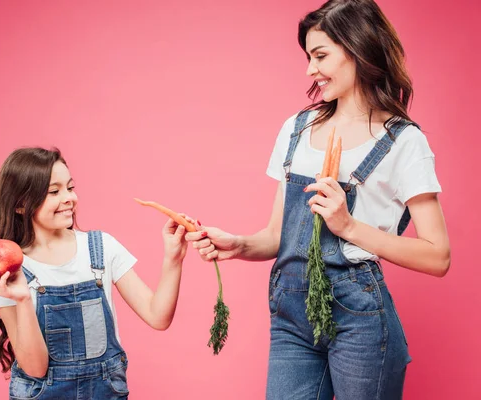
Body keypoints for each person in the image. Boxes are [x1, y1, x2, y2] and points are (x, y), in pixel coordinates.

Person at [186, 1, 450, 399]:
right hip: (291, 313)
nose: (310, 69)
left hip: (358, 315)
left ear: (358, 48)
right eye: (309, 57)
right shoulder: (296, 128)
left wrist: (349, 227)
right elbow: (278, 235)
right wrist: (238, 244)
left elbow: (438, 256)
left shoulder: (405, 142)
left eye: (321, 56)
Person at [0, 147, 188, 399]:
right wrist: (22, 299)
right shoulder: (6, 272)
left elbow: (158, 316)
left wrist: (173, 257)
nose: (69, 198)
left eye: (70, 187)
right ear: (21, 205)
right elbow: (35, 368)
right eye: (54, 191)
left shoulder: (101, 248)